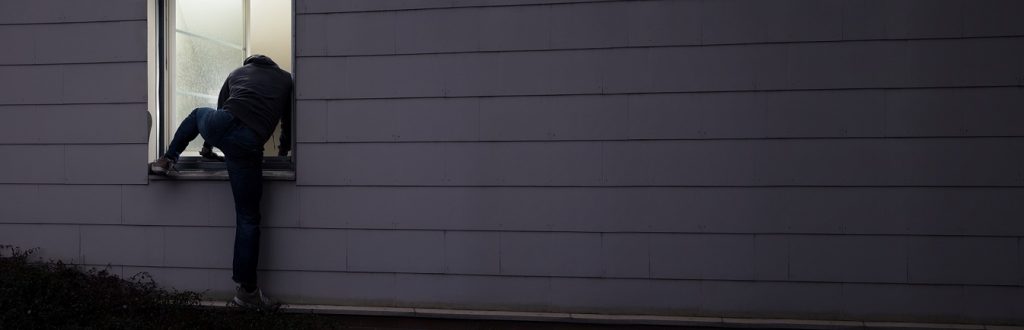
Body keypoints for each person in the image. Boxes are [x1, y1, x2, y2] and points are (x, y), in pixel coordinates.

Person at [149, 54, 292, 312]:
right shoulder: (286, 80)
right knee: (248, 218)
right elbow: (288, 124)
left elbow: (221, 107)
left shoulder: (237, 72)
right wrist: (283, 155)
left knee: (197, 115)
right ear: (271, 64)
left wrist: (207, 146)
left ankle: (167, 159)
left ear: (250, 63)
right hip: (248, 142)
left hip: (221, 124)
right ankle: (247, 293)